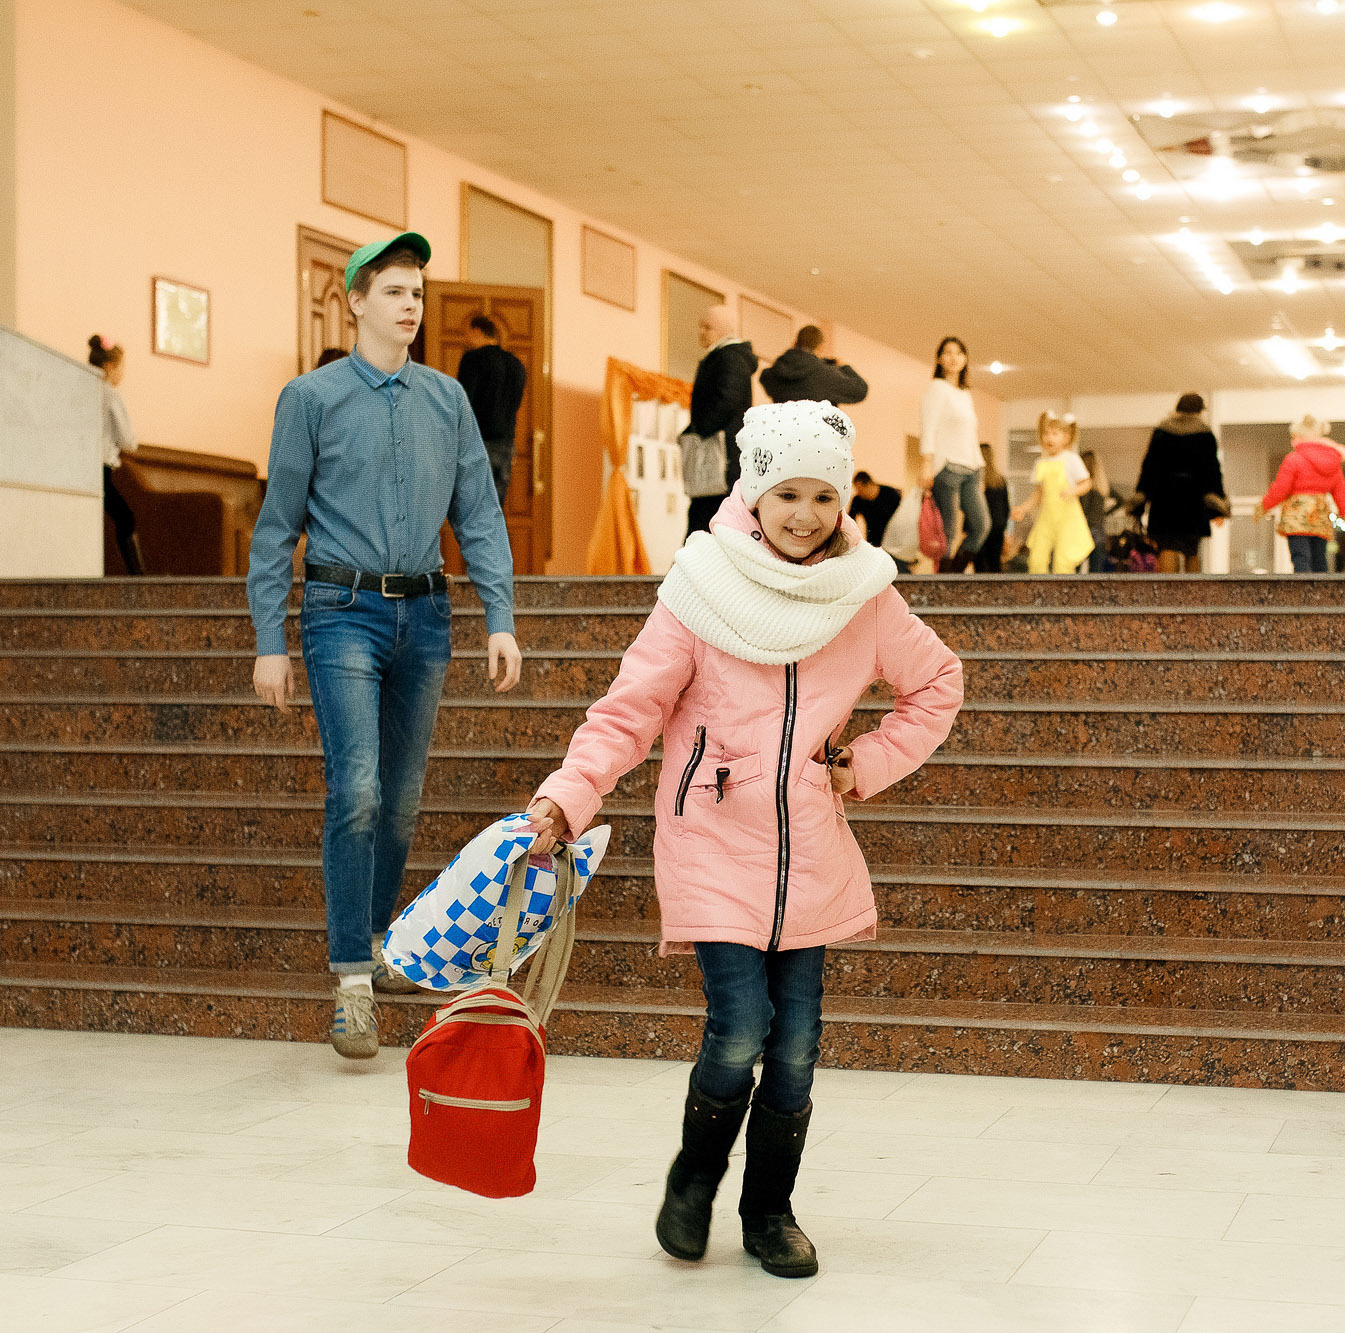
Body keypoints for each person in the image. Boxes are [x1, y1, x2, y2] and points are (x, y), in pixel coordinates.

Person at [522, 400, 963, 1281]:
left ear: (843, 502)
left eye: (822, 496)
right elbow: (629, 712)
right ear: (753, 492)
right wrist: (568, 795)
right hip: (713, 841)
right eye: (786, 493)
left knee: (794, 1053)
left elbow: (938, 682)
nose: (804, 514)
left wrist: (862, 764)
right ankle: (694, 1177)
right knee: (740, 1030)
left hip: (811, 853)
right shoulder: (700, 587)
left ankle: (770, 1210)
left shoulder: (864, 594)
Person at [246, 231, 522, 1059]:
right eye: (395, 291)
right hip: (341, 611)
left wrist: (498, 614)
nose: (411, 305)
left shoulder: (448, 399)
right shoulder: (310, 398)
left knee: (400, 800)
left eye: (418, 293)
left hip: (426, 617)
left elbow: (478, 512)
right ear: (357, 300)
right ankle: (353, 981)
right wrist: (271, 640)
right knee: (357, 788)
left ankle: (367, 948)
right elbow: (274, 529)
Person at [1132, 394, 1226, 573]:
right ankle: (1194, 595)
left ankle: (1169, 596)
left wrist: (1141, 497)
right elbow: (1212, 470)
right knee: (1192, 550)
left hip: (1164, 498)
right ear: (1199, 410)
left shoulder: (1162, 432)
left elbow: (1149, 466)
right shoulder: (1205, 434)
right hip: (1194, 500)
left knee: (1167, 547)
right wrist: (1217, 503)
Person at [686, 304, 758, 538]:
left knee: (709, 519)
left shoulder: (729, 357)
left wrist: (699, 430)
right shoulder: (724, 357)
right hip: (720, 455)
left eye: (707, 327)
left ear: (725, 330)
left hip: (722, 456)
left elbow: (728, 400)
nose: (701, 332)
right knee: (704, 517)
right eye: (700, 326)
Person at [920, 336, 991, 572]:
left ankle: (952, 576)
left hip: (972, 468)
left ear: (965, 359)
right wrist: (926, 464)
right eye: (948, 353)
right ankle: (944, 583)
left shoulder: (964, 393)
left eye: (959, 353)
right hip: (947, 467)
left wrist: (980, 468)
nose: (953, 358)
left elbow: (970, 434)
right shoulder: (937, 388)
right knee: (948, 533)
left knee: (981, 526)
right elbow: (928, 427)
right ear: (940, 359)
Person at [1257, 414, 1345, 574]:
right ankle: (1322, 594)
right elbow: (1340, 491)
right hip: (1320, 515)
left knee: (1300, 558)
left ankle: (1303, 596)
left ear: (1299, 435)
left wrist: (1263, 506)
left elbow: (1281, 488)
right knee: (1319, 559)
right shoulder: (1332, 462)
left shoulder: (1294, 459)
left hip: (1297, 516)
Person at [455, 313, 527, 507]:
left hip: (479, 442)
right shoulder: (516, 364)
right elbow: (516, 403)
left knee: (472, 509)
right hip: (506, 444)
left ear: (477, 331)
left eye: (467, 333)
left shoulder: (472, 359)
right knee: (495, 508)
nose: (465, 339)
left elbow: (463, 402)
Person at [89, 335, 145, 576]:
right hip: (102, 467)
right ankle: (138, 576)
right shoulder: (111, 395)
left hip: (83, 465)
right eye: (122, 368)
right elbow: (127, 439)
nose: (122, 374)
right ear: (110, 367)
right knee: (126, 518)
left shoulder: (84, 390)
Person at [1012, 411, 1094, 575]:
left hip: (1068, 517)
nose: (1049, 438)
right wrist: (1023, 508)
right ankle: (1038, 593)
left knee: (1062, 562)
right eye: (1046, 434)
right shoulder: (1040, 463)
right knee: (1036, 558)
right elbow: (1038, 495)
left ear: (1066, 438)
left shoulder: (1071, 459)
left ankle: (1063, 595)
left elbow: (1087, 483)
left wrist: (1073, 490)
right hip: (1047, 517)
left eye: (1055, 434)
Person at [760, 325, 868, 405]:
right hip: (815, 433)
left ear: (795, 342)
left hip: (782, 430)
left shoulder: (774, 372)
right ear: (820, 346)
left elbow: (764, 377)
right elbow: (860, 390)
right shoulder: (823, 373)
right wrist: (843, 367)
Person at [973, 442, 1011, 573]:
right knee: (995, 563)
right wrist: (1004, 527)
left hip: (980, 527)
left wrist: (965, 529)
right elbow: (1006, 507)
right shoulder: (1000, 480)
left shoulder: (977, 482)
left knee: (979, 565)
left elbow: (973, 509)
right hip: (998, 527)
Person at [847, 471, 902, 549]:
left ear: (868, 485)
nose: (858, 493)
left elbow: (902, 516)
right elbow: (850, 521)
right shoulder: (858, 500)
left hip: (893, 540)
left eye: (860, 490)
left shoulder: (890, 493)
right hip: (873, 542)